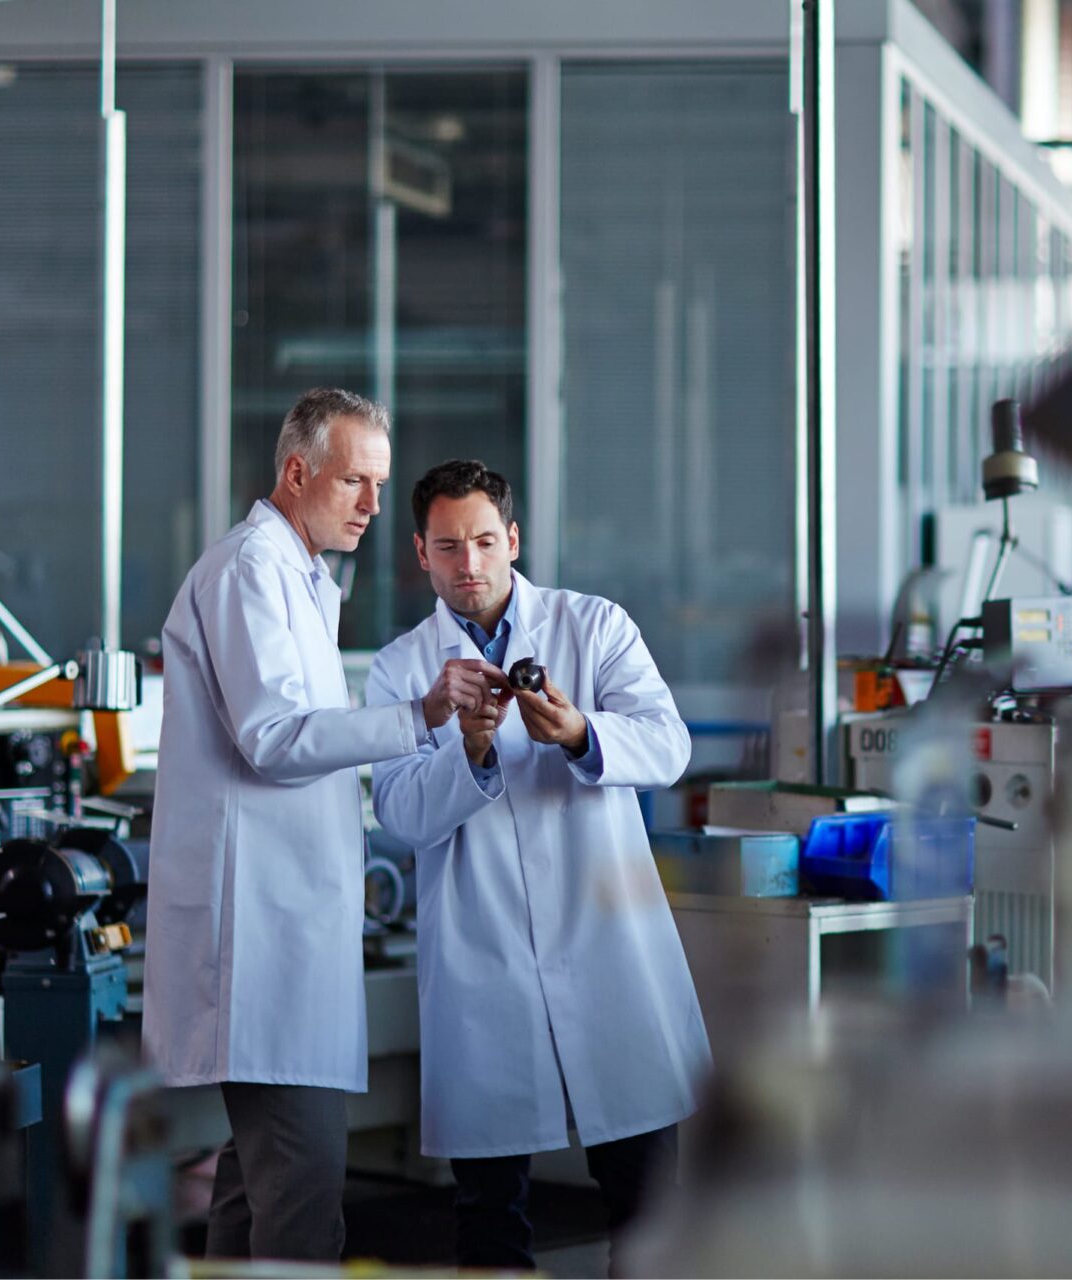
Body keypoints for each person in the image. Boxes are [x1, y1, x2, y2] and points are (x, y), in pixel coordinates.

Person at [142, 390, 493, 1262]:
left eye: (378, 483)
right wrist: (420, 715)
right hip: (263, 944)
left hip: (290, 933)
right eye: (356, 483)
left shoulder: (299, 577)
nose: (375, 505)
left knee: (250, 1195)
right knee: (299, 1206)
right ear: (297, 473)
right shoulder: (248, 572)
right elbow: (275, 738)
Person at [367, 459, 710, 1272]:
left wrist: (581, 734)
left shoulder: (593, 627)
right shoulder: (402, 670)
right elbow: (402, 811)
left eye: (485, 541)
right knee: (490, 1223)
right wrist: (472, 751)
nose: (470, 565)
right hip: (483, 968)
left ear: (513, 538)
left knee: (649, 1209)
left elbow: (668, 743)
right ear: (420, 552)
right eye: (448, 547)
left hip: (607, 952)